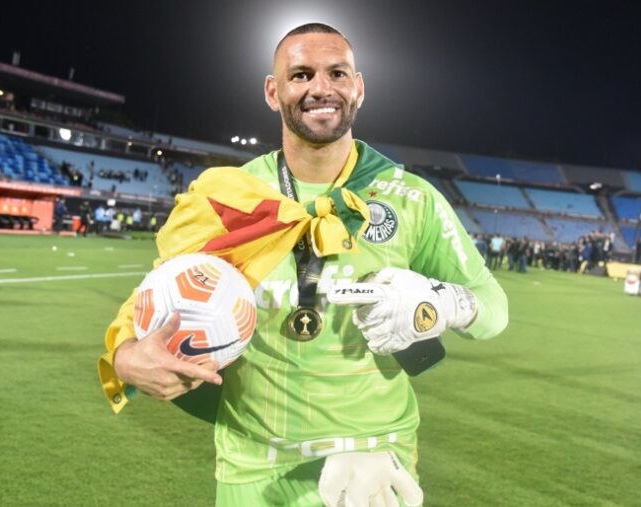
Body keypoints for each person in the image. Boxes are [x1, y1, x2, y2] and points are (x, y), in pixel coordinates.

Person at [99, 23, 508, 507]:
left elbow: (493, 308)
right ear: (274, 92)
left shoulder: (412, 199)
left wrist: (441, 306)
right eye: (300, 75)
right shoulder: (226, 195)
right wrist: (126, 357)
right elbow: (151, 298)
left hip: (373, 461)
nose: (320, 87)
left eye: (337, 72)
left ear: (358, 88)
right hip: (254, 464)